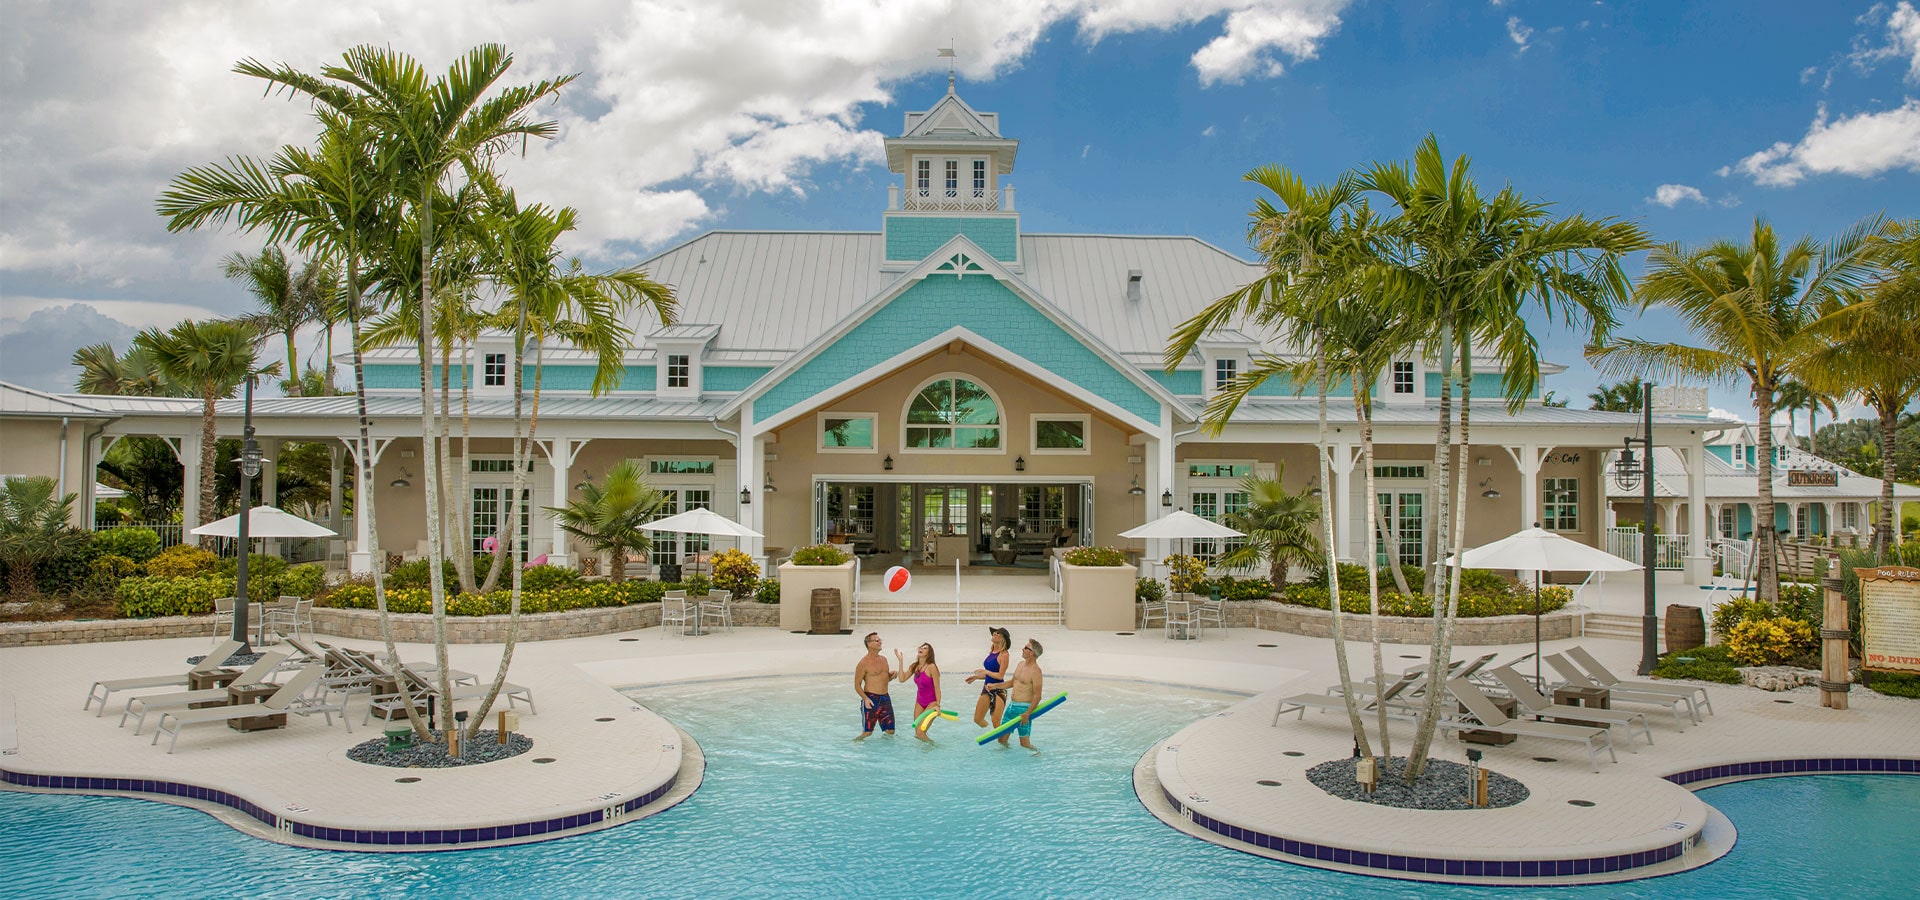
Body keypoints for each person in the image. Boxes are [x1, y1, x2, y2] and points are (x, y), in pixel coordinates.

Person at [997, 638, 1045, 750]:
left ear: (1031, 653)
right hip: (1011, 706)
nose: (1022, 649)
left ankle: (1037, 755)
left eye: (1025, 648)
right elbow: (1011, 683)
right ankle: (1007, 761)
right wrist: (994, 686)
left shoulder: (1036, 671)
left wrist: (1027, 714)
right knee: (1002, 739)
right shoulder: (1020, 665)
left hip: (1023, 710)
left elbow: (1037, 696)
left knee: (1024, 743)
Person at [964, 627, 1012, 731]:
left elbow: (1000, 676)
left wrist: (985, 672)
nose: (994, 633)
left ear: (1003, 638)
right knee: (977, 719)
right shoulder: (992, 652)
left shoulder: (1004, 654)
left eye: (998, 633)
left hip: (999, 690)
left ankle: (1003, 743)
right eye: (994, 632)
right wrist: (976, 677)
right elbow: (990, 674)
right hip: (987, 689)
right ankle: (991, 735)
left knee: (996, 723)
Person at [895, 642, 942, 742]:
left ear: (928, 653)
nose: (921, 648)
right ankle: (925, 753)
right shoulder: (914, 666)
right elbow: (901, 679)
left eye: (925, 648)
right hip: (919, 702)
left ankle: (934, 747)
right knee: (917, 733)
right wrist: (900, 661)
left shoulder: (932, 667)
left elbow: (937, 688)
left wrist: (938, 705)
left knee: (920, 732)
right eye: (921, 647)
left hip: (932, 702)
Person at [853, 632, 895, 740]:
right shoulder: (863, 663)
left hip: (885, 698)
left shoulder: (884, 660)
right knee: (867, 733)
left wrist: (891, 677)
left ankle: (883, 752)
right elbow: (857, 685)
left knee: (890, 731)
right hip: (871, 699)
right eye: (877, 640)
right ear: (869, 644)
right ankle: (855, 743)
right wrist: (865, 699)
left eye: (880, 640)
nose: (880, 642)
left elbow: (883, 680)